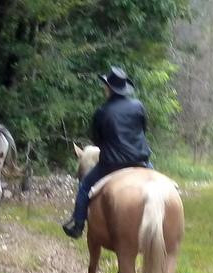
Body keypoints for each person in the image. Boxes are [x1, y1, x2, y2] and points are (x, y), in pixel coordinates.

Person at [62, 66, 152, 239]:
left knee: (85, 186)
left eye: (105, 86)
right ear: (125, 89)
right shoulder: (138, 106)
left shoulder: (102, 112)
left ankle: (78, 225)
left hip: (111, 164)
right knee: (159, 183)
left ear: (108, 88)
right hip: (141, 162)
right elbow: (143, 130)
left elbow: (97, 141)